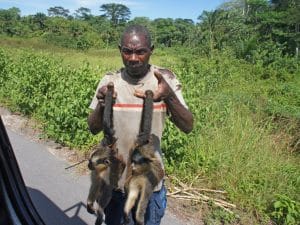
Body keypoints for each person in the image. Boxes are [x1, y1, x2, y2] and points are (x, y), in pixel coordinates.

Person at [88, 24, 193, 225]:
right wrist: (102, 105)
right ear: (120, 50)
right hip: (115, 187)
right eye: (127, 51)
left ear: (151, 50)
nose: (133, 58)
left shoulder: (163, 80)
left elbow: (188, 126)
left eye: (140, 52)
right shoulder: (110, 81)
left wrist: (169, 96)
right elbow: (93, 128)